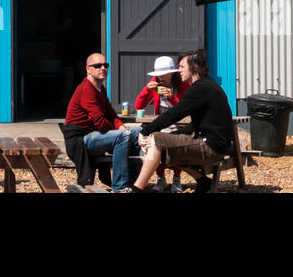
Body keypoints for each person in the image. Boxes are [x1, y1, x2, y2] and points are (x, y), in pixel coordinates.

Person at [128, 51, 233, 193]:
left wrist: (146, 131)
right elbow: (196, 124)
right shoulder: (207, 85)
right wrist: (174, 135)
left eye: (182, 66)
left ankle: (136, 190)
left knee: (157, 139)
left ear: (194, 66)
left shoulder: (199, 88)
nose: (179, 70)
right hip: (215, 144)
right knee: (164, 145)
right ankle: (203, 181)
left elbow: (174, 114)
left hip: (211, 147)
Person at [64, 52, 139, 192]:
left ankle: (132, 183)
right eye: (98, 65)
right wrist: (121, 132)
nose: (103, 68)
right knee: (123, 136)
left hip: (94, 134)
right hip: (79, 139)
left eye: (106, 65)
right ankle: (120, 187)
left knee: (137, 132)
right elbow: (99, 121)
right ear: (88, 69)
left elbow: (110, 113)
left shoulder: (100, 89)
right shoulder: (86, 89)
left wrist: (121, 126)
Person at [133, 55, 192, 191]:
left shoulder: (183, 84)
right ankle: (161, 178)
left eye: (164, 74)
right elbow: (138, 105)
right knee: (153, 143)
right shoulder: (155, 82)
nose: (161, 78)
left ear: (172, 73)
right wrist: (147, 90)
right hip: (160, 123)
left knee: (176, 143)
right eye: (159, 75)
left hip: (179, 124)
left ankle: (177, 178)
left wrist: (172, 98)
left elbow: (186, 108)